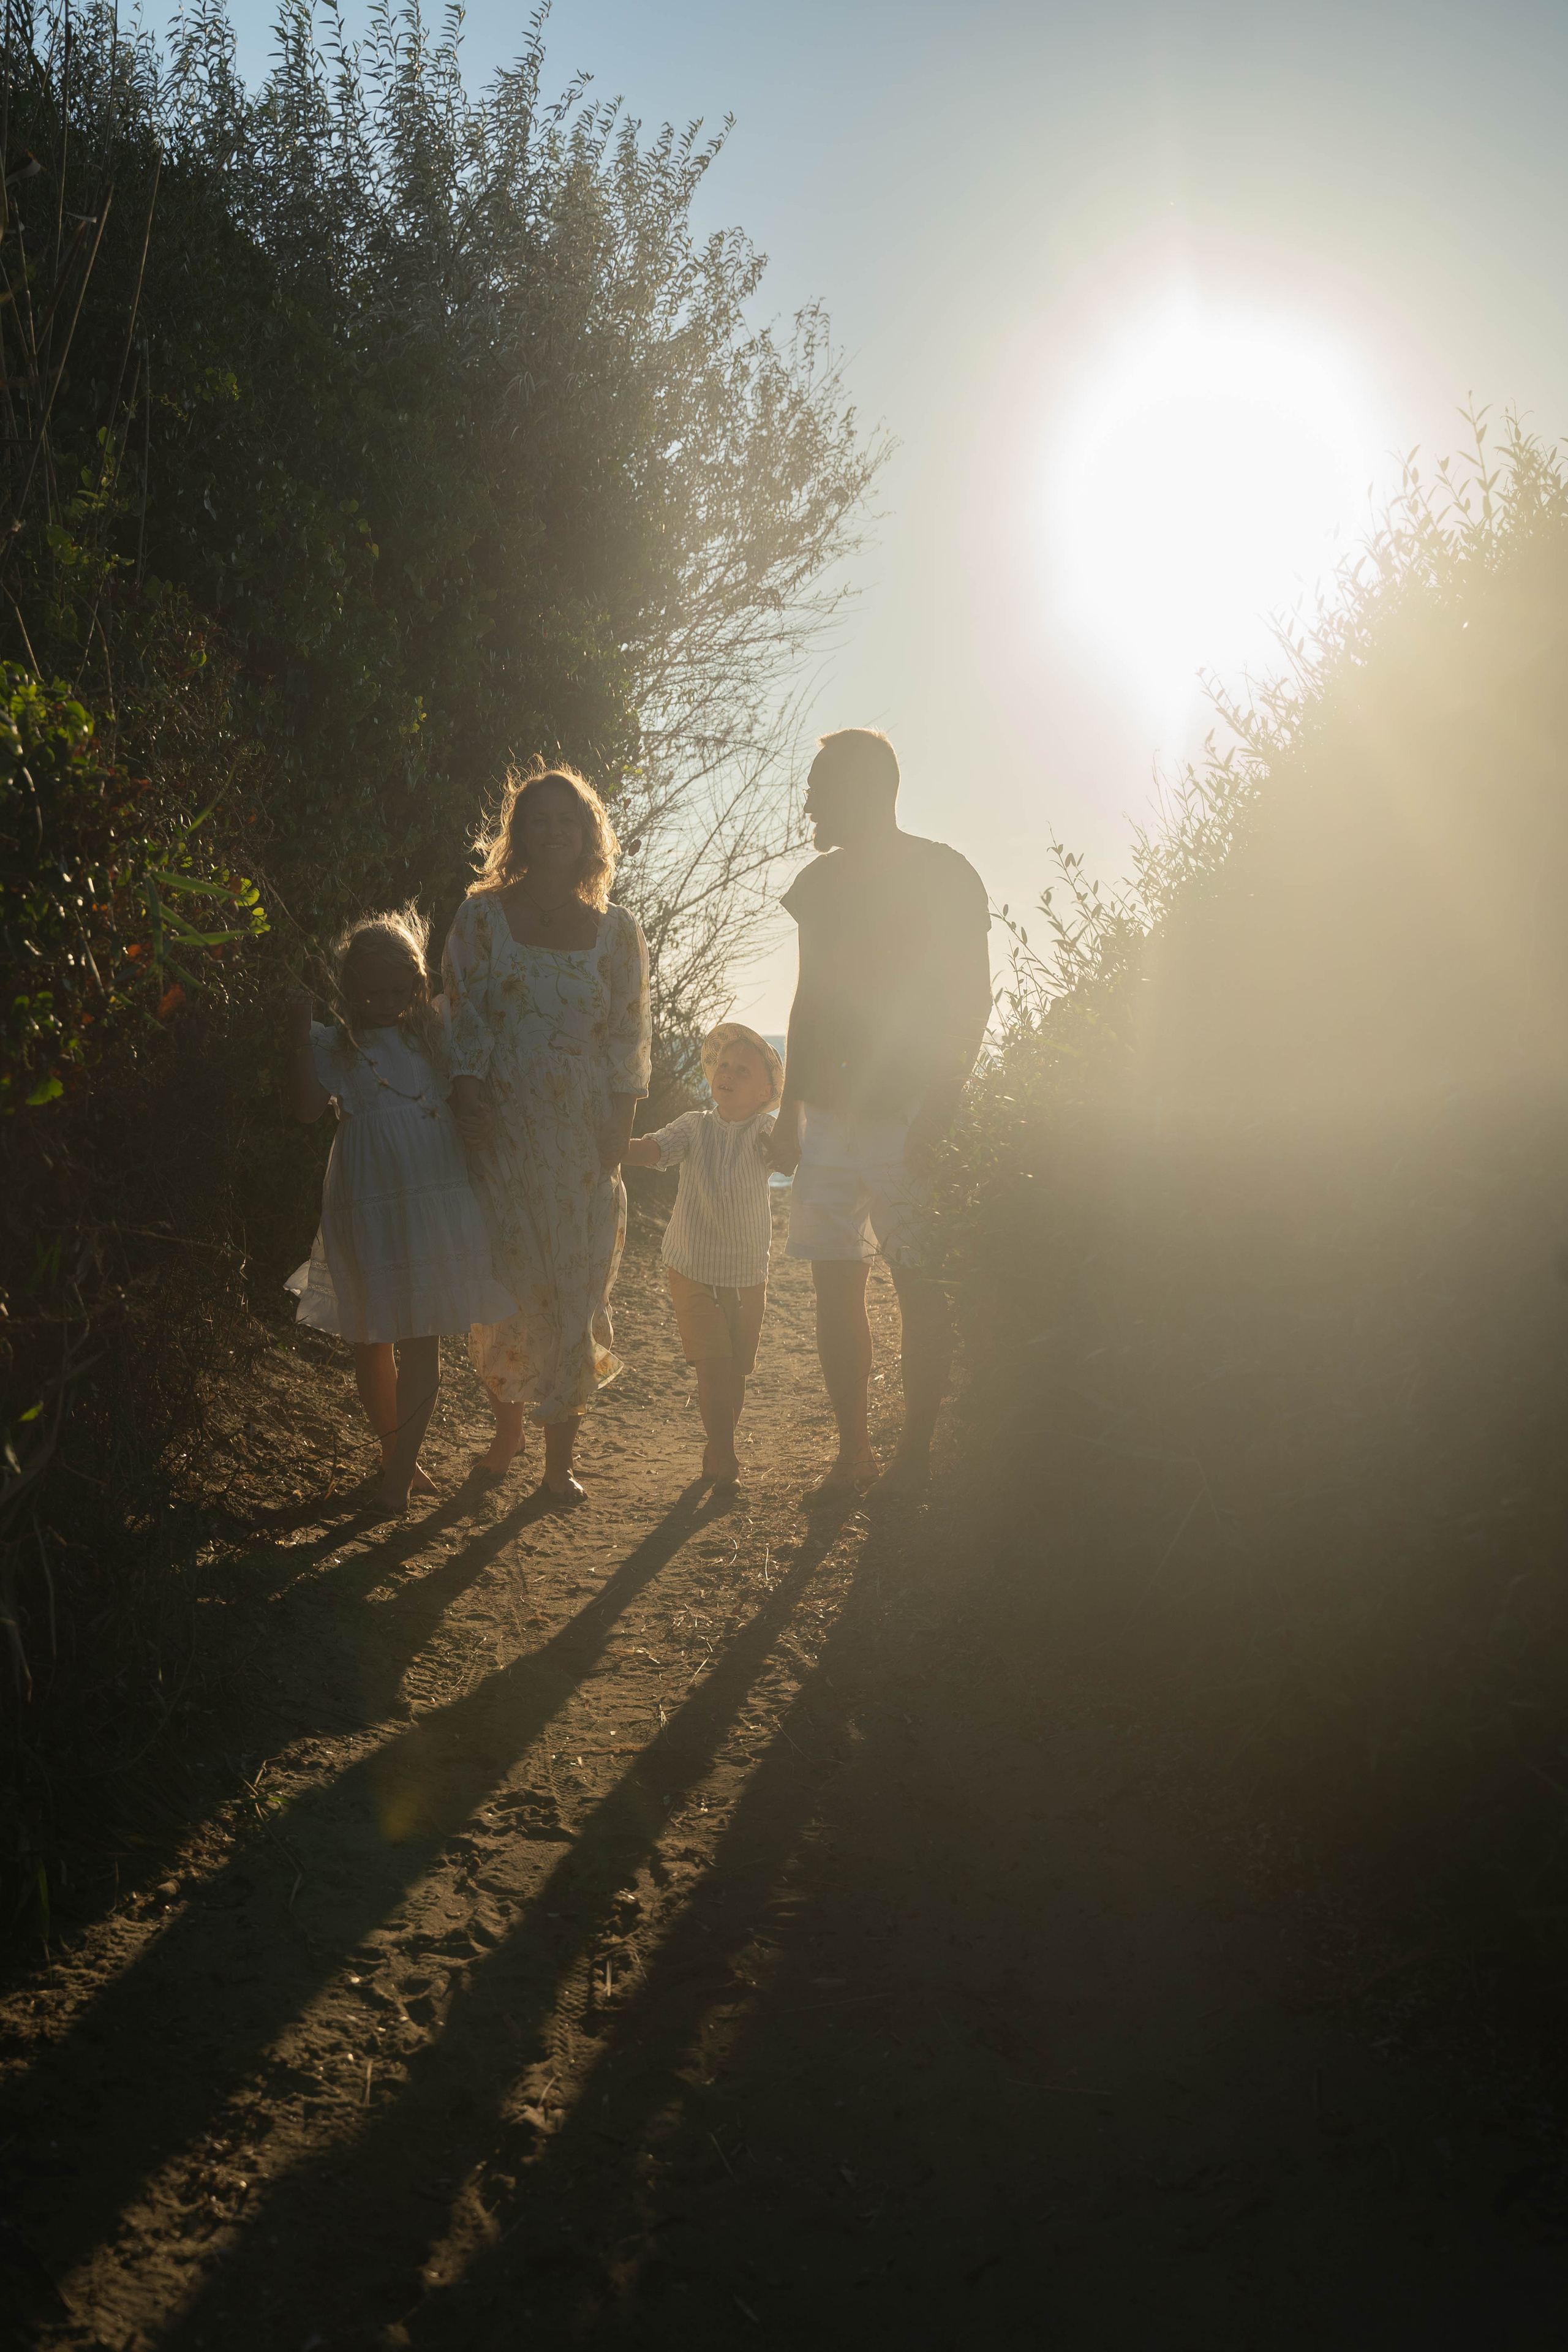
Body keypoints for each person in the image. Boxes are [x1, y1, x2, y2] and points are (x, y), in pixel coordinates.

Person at [765, 727, 992, 1509]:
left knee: (920, 1287)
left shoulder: (945, 874)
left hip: (909, 1116)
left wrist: (939, 1108)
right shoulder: (818, 885)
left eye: (818, 785)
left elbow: (971, 1000)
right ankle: (853, 1453)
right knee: (837, 1288)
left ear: (862, 788)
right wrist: (791, 1110)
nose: (807, 801)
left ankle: (916, 1455)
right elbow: (807, 999)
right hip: (829, 1117)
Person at [443, 761, 651, 1507]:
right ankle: (507, 1434)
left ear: (590, 833)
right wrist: (467, 1100)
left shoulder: (618, 930)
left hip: (582, 1134)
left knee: (575, 1289)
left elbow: (628, 1035)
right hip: (502, 1126)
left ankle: (558, 1462)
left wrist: (620, 1127)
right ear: (520, 834)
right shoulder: (481, 916)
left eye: (569, 820)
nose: (555, 831)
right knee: (506, 1285)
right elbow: (461, 1011)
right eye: (540, 820)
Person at [283, 908, 514, 1512]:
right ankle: (395, 1457)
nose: (382, 1003)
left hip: (434, 1194)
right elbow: (307, 1110)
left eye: (395, 990)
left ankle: (397, 1474)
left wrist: (478, 1118)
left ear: (415, 985)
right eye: (367, 993)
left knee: (421, 1336)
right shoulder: (333, 1043)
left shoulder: (436, 1031)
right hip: (367, 1200)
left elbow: (474, 1077)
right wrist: (295, 1030)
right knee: (370, 1334)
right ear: (347, 990)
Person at [625, 1023, 783, 1490]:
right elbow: (653, 1149)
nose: (727, 1074)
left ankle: (717, 1446)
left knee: (736, 1371)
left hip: (747, 1273)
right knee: (714, 1367)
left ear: (765, 1092)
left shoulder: (766, 1131)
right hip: (691, 1267)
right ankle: (726, 1456)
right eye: (723, 1066)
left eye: (743, 1070)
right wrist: (609, 1147)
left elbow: (794, 1157)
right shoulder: (694, 1126)